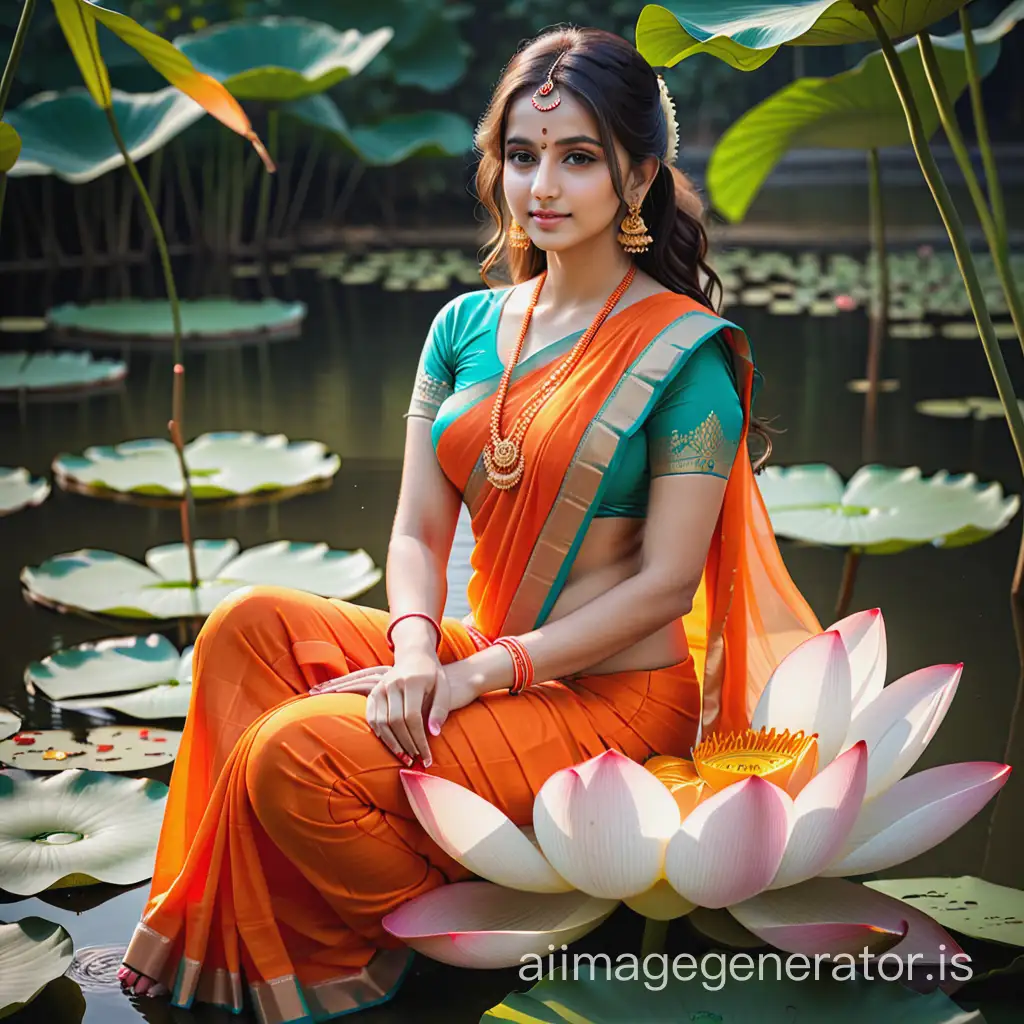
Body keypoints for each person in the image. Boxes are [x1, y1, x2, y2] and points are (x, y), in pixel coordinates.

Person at [118, 25, 820, 1023]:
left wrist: (472, 676)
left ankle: (441, 946)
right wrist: (413, 649)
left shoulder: (684, 357)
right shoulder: (459, 328)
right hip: (472, 646)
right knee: (245, 631)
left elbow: (665, 583)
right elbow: (414, 532)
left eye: (578, 157)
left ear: (638, 179)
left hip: (608, 697)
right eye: (522, 155)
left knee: (295, 754)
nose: (542, 184)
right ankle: (272, 923)